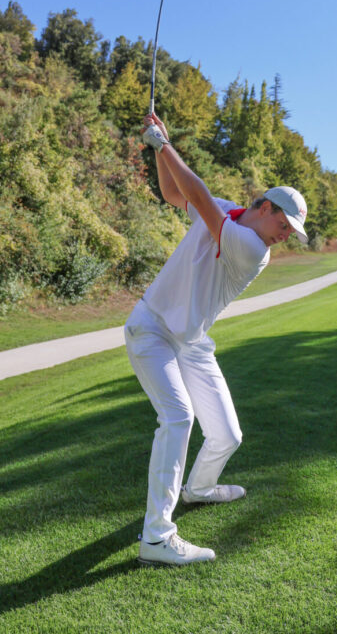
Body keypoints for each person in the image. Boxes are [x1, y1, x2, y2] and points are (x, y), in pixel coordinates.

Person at [125, 111, 308, 567]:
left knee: (227, 435)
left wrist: (164, 143)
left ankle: (200, 488)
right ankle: (156, 536)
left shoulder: (253, 250)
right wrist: (158, 148)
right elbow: (175, 192)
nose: (285, 237)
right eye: (284, 225)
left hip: (190, 341)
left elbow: (200, 198)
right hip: (151, 328)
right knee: (180, 419)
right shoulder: (230, 212)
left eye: (290, 232)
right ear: (264, 206)